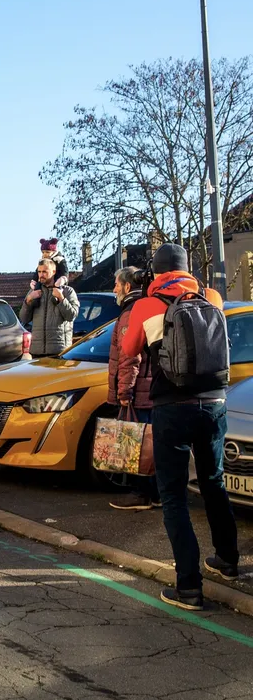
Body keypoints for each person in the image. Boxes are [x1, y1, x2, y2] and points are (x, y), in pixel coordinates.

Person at [122, 243, 239, 610]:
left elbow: (129, 349)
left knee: (173, 495)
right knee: (213, 481)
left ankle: (188, 587)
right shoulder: (212, 296)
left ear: (156, 273)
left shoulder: (148, 303)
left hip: (173, 406)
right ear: (187, 269)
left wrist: (145, 299)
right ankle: (228, 561)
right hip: (215, 402)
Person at [104, 267, 160, 511]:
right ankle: (155, 493)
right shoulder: (146, 306)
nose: (114, 289)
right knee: (149, 444)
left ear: (127, 286)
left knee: (137, 445)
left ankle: (142, 494)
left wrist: (124, 391)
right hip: (149, 389)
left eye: (117, 284)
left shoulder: (130, 312)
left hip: (138, 392)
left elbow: (129, 355)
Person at [20, 258, 80, 358]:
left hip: (59, 351)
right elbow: (24, 318)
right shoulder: (34, 292)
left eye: (44, 271)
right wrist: (28, 300)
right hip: (37, 352)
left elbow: (71, 316)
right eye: (39, 271)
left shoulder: (67, 291)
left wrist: (61, 298)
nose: (41, 275)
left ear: (54, 272)